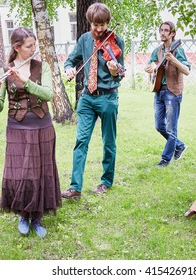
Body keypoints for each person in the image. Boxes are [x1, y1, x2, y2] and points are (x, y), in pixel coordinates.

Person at [0, 27, 61, 238]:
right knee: (21, 173)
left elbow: (48, 94)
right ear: (17, 47)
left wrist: (26, 82)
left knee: (40, 172)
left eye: (34, 45)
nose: (34, 49)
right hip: (17, 128)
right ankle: (23, 214)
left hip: (42, 126)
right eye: (29, 46)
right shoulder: (6, 71)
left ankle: (37, 217)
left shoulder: (43, 67)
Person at [62, 3, 125, 199]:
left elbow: (119, 74)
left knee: (108, 142)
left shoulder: (117, 41)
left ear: (108, 23)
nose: (99, 29)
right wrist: (69, 69)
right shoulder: (84, 40)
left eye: (103, 25)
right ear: (90, 22)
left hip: (108, 97)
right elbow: (70, 60)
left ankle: (106, 181)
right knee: (81, 140)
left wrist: (115, 71)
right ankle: (75, 188)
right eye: (95, 25)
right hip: (87, 98)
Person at [144, 21, 191, 168]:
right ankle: (180, 145)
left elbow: (187, 70)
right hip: (158, 91)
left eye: (166, 30)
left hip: (172, 92)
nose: (163, 33)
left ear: (172, 34)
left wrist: (173, 59)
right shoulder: (157, 51)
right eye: (161, 30)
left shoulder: (178, 50)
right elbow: (151, 64)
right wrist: (150, 69)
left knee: (171, 128)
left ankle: (165, 159)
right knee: (159, 126)